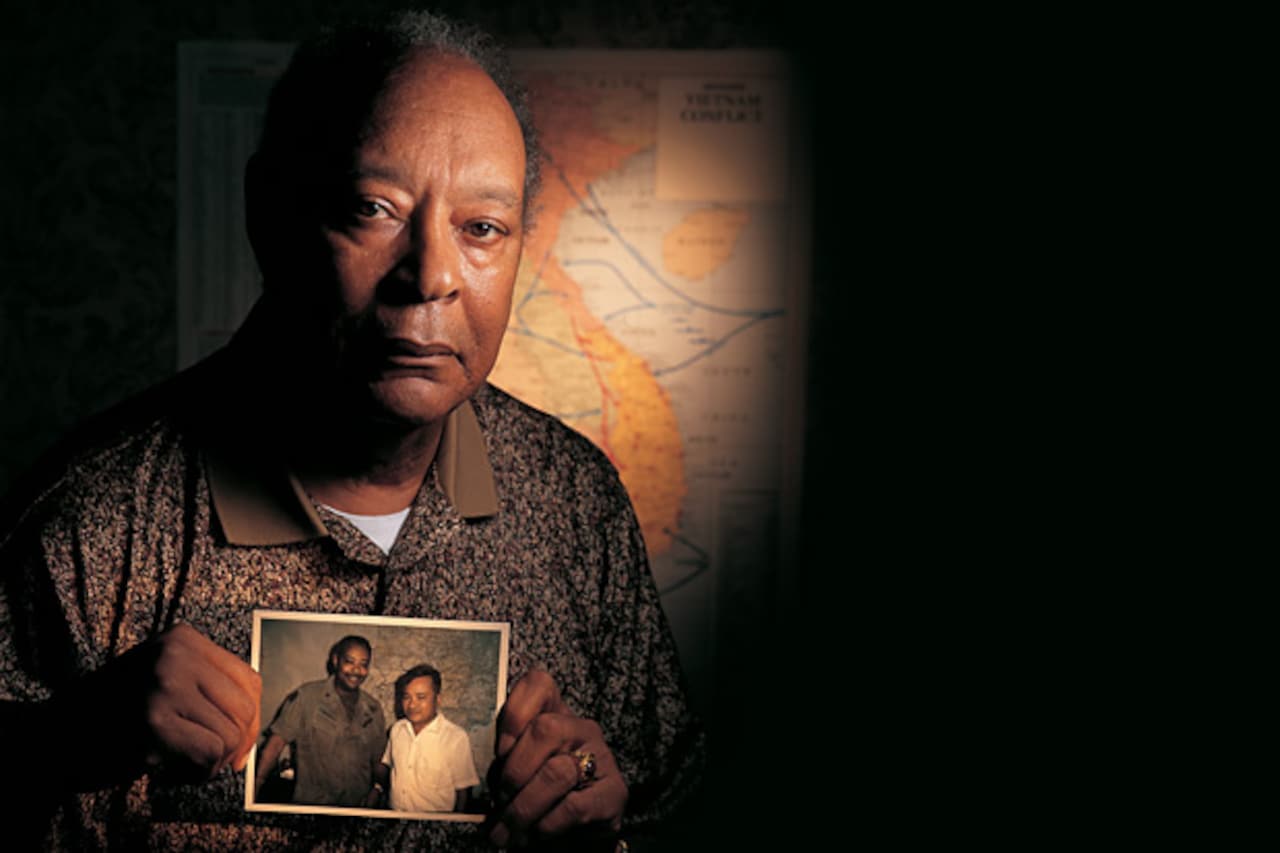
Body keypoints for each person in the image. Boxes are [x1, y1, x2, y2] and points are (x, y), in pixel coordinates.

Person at [0, 8, 701, 851]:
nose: (432, 277)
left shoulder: (576, 504)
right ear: (272, 217)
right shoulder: (88, 525)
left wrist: (601, 805)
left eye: (481, 228)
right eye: (374, 208)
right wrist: (57, 743)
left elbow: (672, 803)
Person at [255, 635, 387, 807]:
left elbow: (379, 761)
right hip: (313, 806)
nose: (356, 670)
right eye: (349, 661)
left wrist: (377, 790)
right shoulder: (306, 697)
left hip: (356, 807)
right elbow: (275, 744)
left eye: (363, 664)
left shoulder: (373, 708)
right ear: (335, 660)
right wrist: (256, 785)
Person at [372, 663, 480, 813]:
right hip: (395, 818)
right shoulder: (397, 730)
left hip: (432, 824)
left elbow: (463, 792)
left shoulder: (455, 738)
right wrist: (376, 790)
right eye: (406, 697)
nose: (412, 704)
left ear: (438, 699)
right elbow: (387, 767)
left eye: (421, 697)